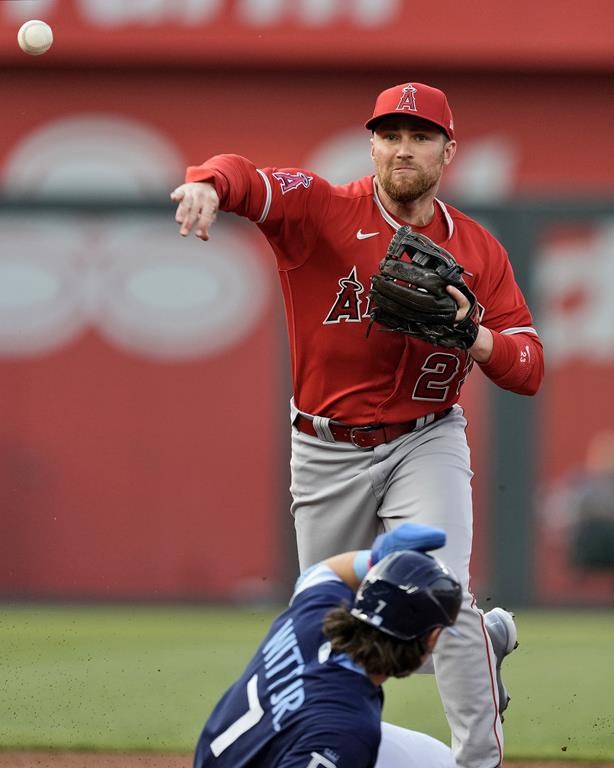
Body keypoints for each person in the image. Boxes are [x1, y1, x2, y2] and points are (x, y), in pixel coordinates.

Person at [172, 81, 544, 768]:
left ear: (448, 150)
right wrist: (206, 187)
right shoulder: (321, 208)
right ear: (371, 142)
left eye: (420, 136)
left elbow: (528, 366)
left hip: (426, 437)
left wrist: (475, 338)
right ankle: (473, 645)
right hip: (325, 446)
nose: (403, 149)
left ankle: (478, 759)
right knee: (335, 632)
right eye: (389, 135)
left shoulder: (480, 251)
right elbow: (247, 179)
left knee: (444, 588)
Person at [193, 522, 463, 768]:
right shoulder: (347, 731)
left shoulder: (314, 614)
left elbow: (326, 571)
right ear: (432, 638)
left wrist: (374, 559)